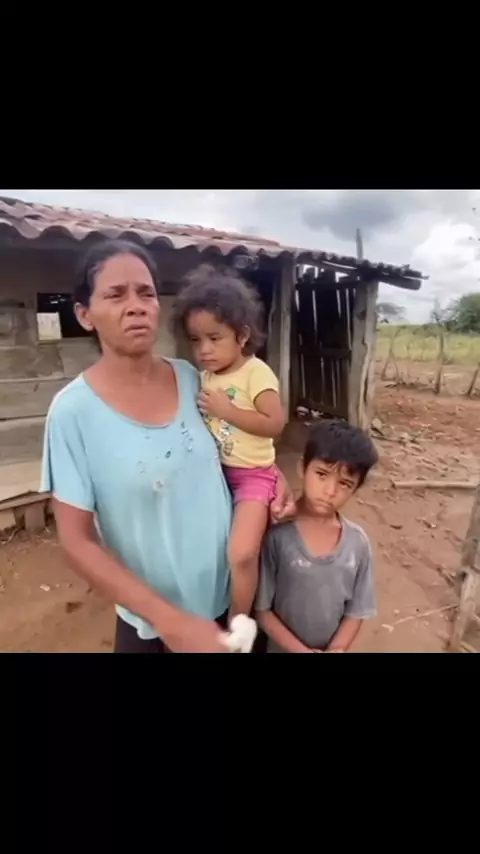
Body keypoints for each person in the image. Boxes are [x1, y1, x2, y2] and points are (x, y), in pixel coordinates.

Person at [40, 239, 294, 654]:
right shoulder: (72, 413)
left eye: (146, 293)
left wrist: (274, 476)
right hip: (155, 627)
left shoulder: (193, 380)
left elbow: (234, 440)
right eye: (116, 295)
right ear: (85, 315)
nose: (136, 306)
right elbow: (76, 541)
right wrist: (168, 621)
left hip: (228, 605)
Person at [171, 264, 286, 624]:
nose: (204, 350)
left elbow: (275, 424)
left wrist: (229, 411)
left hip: (253, 477)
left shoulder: (256, 373)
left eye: (214, 338)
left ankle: (239, 623)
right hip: (215, 475)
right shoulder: (203, 376)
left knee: (242, 554)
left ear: (242, 335)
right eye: (195, 340)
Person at [256, 419, 378, 653]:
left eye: (345, 483)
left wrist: (337, 649)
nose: (330, 491)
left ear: (356, 488)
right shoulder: (277, 537)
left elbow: (356, 611)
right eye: (322, 474)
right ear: (302, 468)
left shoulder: (357, 543)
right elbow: (263, 611)